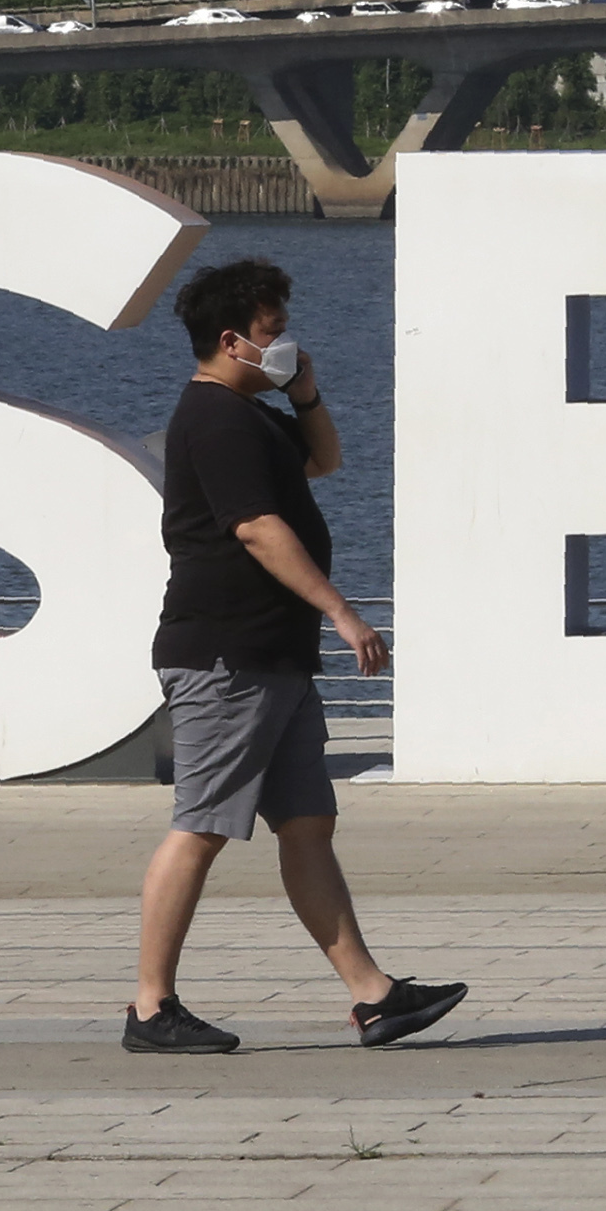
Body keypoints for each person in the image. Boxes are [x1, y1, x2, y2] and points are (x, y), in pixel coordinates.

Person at [125, 257, 466, 1057]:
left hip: (273, 656)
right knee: (202, 826)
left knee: (308, 825)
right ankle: (150, 1008)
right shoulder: (212, 418)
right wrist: (342, 612)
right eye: (275, 333)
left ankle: (376, 998)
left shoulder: (252, 415)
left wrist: (303, 390)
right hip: (226, 653)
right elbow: (256, 527)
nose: (287, 344)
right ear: (232, 339)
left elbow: (323, 461)